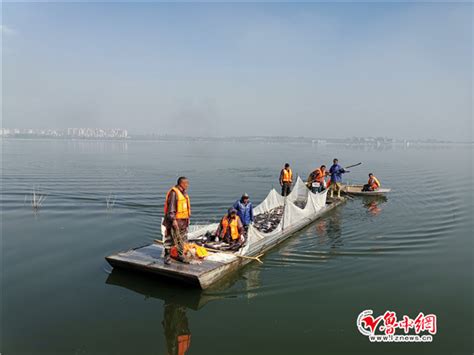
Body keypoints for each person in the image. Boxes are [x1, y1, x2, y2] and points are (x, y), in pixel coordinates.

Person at [163, 177, 191, 264]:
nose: (188, 185)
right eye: (186, 183)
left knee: (181, 239)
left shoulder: (184, 193)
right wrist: (173, 220)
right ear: (181, 184)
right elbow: (171, 209)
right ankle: (167, 256)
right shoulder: (174, 193)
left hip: (183, 222)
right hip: (175, 221)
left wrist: (187, 220)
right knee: (170, 239)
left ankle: (180, 255)